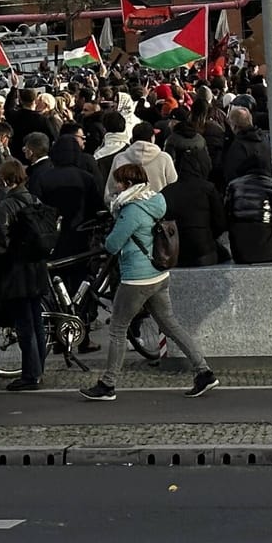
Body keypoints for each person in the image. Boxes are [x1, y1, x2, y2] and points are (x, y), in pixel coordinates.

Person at [80, 162, 219, 401]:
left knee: (117, 329)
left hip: (137, 279)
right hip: (159, 274)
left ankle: (108, 384)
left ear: (129, 184)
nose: (116, 186)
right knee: (171, 325)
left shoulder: (132, 210)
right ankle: (204, 371)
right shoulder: (155, 201)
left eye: (119, 182)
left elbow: (113, 245)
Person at [0, 160, 54, 390]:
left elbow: (1, 243)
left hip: (17, 271)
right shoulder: (35, 201)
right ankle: (39, 369)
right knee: (36, 321)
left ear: (5, 180)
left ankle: (30, 375)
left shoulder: (6, 206)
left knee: (24, 324)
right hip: (38, 269)